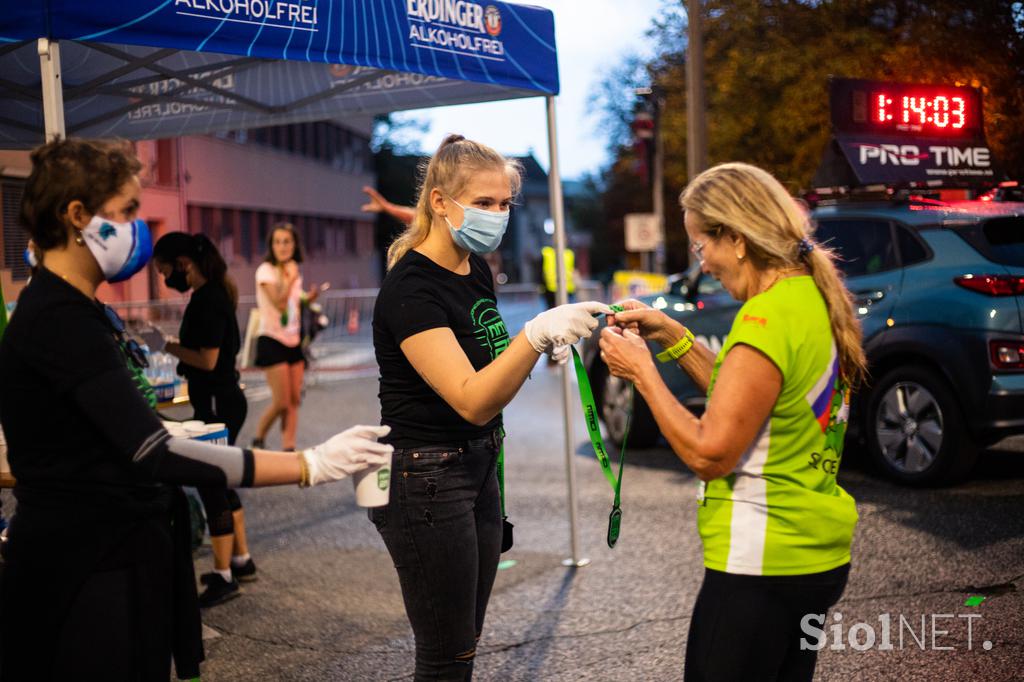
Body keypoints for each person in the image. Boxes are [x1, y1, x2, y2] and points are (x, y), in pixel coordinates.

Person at [0, 137, 392, 681]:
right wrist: (309, 465)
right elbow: (153, 453)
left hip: (113, 556)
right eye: (128, 212)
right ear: (76, 216)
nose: (140, 229)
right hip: (83, 570)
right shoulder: (58, 320)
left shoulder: (81, 310)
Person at [598, 162, 866, 682]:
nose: (706, 263)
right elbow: (748, 393)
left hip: (759, 564)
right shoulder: (809, 297)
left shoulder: (762, 319)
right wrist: (670, 332)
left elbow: (710, 452)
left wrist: (643, 375)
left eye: (702, 246)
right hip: (813, 556)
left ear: (737, 239)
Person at [372, 134, 610, 681]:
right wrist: (534, 336)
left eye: (504, 204)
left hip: (479, 466)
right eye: (483, 203)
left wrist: (541, 346)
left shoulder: (474, 268)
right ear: (439, 201)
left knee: (466, 639)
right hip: (426, 476)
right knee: (447, 653)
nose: (497, 215)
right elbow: (474, 399)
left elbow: (496, 372)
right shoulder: (412, 288)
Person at [153, 231, 257, 607]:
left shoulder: (208, 299)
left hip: (217, 403)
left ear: (184, 264)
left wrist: (165, 346)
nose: (166, 278)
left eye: (166, 270)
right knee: (224, 478)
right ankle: (241, 560)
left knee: (212, 482)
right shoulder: (213, 293)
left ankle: (223, 575)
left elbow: (208, 360)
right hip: (222, 400)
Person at [251, 222, 321, 451]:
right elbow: (280, 304)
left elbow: (293, 301)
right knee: (281, 401)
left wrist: (308, 298)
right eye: (278, 242)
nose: (282, 246)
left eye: (287, 241)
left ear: (294, 244)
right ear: (271, 245)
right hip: (271, 339)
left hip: (293, 340)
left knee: (293, 400)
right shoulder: (265, 271)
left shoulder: (293, 267)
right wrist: (290, 278)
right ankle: (258, 437)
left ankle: (288, 448)